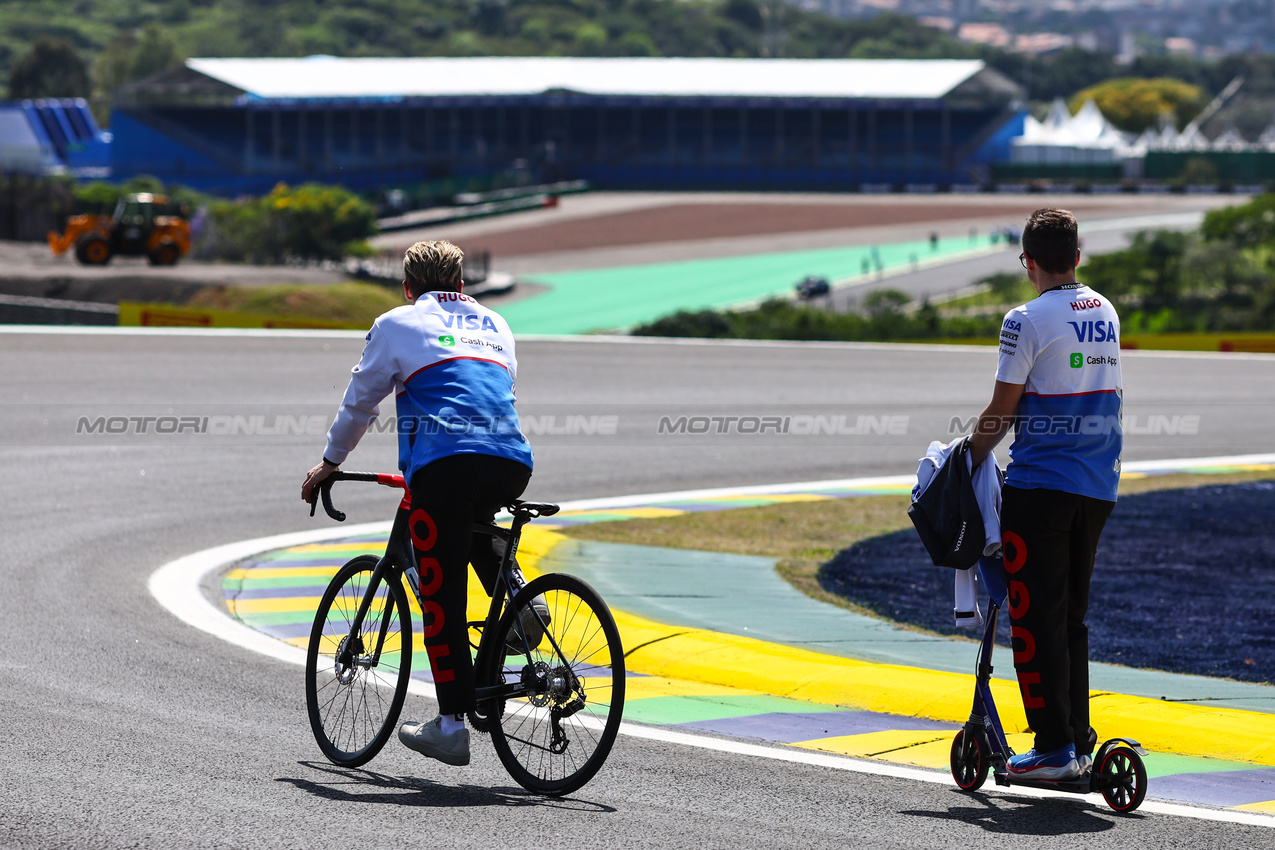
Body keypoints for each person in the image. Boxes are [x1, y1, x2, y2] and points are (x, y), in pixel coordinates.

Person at [301, 240, 535, 768]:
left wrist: (331, 461)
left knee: (440, 593)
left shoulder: (396, 324)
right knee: (470, 521)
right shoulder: (496, 324)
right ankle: (523, 604)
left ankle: (452, 726)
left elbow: (360, 402)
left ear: (407, 287)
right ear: (461, 282)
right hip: (511, 460)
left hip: (445, 465)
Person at [968, 208, 1123, 781]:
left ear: (1028, 262)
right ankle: (1076, 740)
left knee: (1034, 619)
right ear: (1077, 257)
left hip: (1040, 487)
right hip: (1098, 485)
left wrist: (966, 459)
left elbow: (1002, 411)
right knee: (1071, 620)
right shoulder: (1103, 309)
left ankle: (1055, 748)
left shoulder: (1024, 319)